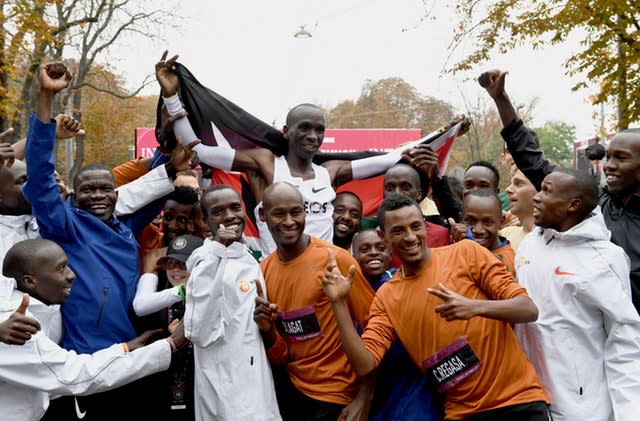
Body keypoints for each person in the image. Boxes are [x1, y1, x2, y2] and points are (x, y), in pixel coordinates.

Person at [155, 50, 453, 256]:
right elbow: (201, 152)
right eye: (305, 128)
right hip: (275, 274)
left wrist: (415, 149)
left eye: (319, 130)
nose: (313, 136)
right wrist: (171, 97)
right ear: (286, 131)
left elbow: (384, 161)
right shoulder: (266, 164)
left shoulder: (331, 172)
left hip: (321, 277)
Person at [24, 61, 194, 420]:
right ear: (74, 196)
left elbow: (155, 187)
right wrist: (46, 97)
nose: (98, 196)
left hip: (140, 357)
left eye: (106, 189)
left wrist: (170, 138)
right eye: (88, 190)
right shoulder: (65, 227)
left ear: (117, 194)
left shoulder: (126, 227)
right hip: (93, 366)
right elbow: (39, 175)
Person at [322, 193, 550, 420]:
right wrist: (339, 303)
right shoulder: (387, 296)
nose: (410, 237)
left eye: (415, 226)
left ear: (425, 226)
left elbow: (528, 309)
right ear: (384, 237)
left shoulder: (466, 252)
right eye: (399, 231)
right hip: (462, 413)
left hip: (519, 401)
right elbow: (365, 365)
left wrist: (474, 307)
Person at [479, 68, 640, 314]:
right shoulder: (593, 205)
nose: (609, 165)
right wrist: (501, 99)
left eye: (621, 158)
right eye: (608, 157)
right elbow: (532, 161)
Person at [0, 238, 187, 421]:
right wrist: (168, 346)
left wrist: (124, 349)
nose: (72, 275)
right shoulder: (19, 328)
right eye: (61, 268)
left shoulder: (44, 307)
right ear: (30, 281)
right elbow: (76, 375)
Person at [514, 168, 640, 420]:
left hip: (582, 408)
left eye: (546, 191)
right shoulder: (529, 244)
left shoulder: (605, 258)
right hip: (529, 399)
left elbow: (624, 340)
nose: (536, 197)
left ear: (573, 204)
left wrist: (629, 412)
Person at [254, 181, 376, 421]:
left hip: (337, 396)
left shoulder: (336, 261)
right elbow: (282, 354)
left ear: (305, 211)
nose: (289, 221)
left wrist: (365, 397)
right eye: (279, 213)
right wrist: (268, 330)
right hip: (291, 394)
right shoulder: (263, 271)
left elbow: (378, 330)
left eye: (296, 212)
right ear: (263, 215)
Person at [183, 185, 281, 420]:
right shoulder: (204, 262)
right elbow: (198, 330)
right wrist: (218, 252)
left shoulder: (247, 256)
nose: (229, 216)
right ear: (205, 222)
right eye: (217, 212)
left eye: (235, 207)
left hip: (256, 379)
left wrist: (264, 319)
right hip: (224, 386)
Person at [351, 229, 443, 421]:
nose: (374, 252)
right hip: (380, 383)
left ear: (390, 254)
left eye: (380, 248)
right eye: (365, 249)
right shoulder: (350, 290)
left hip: (412, 381)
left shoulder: (399, 284)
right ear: (354, 256)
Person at [449, 188, 516, 275]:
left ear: (501, 221)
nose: (478, 230)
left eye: (488, 222)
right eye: (470, 221)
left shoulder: (507, 261)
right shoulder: (460, 246)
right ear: (460, 219)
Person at [501, 166, 536, 251]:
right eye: (511, 183)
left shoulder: (561, 241)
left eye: (518, 183)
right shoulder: (504, 236)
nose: (508, 189)